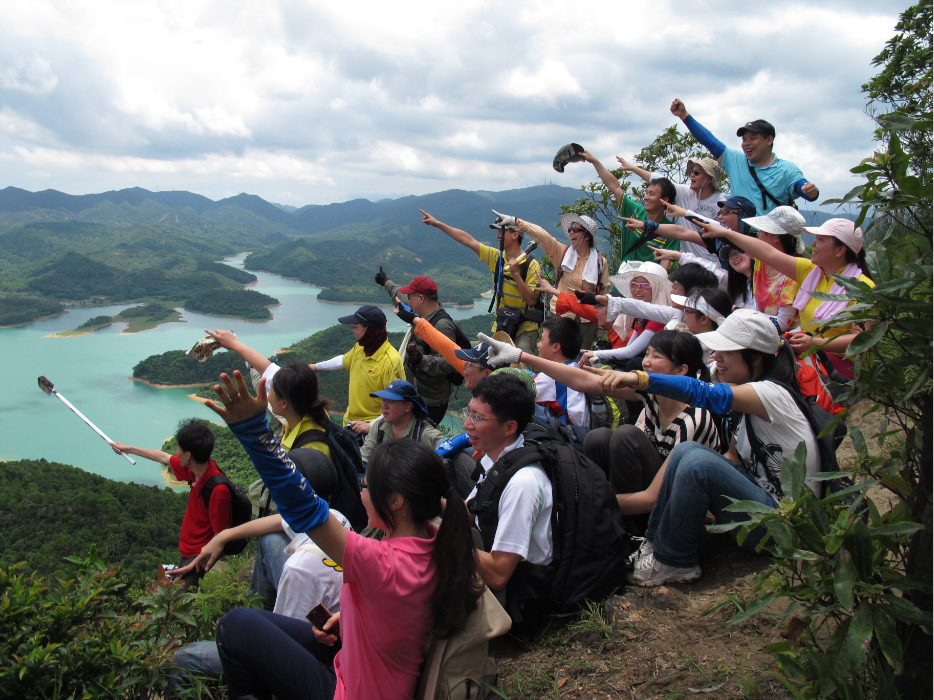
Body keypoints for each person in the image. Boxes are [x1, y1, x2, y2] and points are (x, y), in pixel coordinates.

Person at [205, 370, 483, 700]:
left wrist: (253, 432)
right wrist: (349, 617)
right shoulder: (433, 538)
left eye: (367, 485)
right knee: (257, 624)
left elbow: (304, 509)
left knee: (235, 627)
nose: (361, 490)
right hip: (360, 662)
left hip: (353, 691)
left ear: (395, 502)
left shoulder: (383, 564)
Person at [594, 309, 820, 587]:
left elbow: (704, 393)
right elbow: (731, 460)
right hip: (762, 504)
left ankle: (674, 561)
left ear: (756, 358)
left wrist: (641, 379)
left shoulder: (771, 394)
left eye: (726, 352)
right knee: (687, 451)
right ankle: (655, 545)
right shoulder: (748, 397)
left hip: (785, 527)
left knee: (696, 461)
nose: (715, 357)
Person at [480, 331, 725, 535]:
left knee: (626, 436)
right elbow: (582, 380)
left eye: (656, 356)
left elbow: (656, 496)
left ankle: (633, 533)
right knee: (599, 438)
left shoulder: (694, 418)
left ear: (682, 370)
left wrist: (594, 502)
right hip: (646, 490)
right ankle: (611, 525)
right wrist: (521, 356)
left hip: (675, 506)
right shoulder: (652, 396)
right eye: (647, 354)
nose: (646, 362)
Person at [165, 449, 349, 700]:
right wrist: (224, 536)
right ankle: (257, 608)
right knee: (270, 541)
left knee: (183, 658)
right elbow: (279, 522)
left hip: (315, 656)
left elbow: (284, 649)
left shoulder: (299, 571)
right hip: (335, 625)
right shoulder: (335, 519)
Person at [700, 218, 874, 379]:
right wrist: (726, 233)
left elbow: (861, 340)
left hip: (840, 368)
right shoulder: (812, 272)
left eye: (821, 240)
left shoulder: (863, 289)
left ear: (840, 250)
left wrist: (816, 343)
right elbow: (767, 252)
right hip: (810, 354)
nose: (813, 243)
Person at [110, 419, 231, 591]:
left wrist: (198, 562)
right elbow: (164, 458)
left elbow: (222, 535)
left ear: (188, 455)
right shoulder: (195, 468)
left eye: (178, 448)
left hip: (198, 556)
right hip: (187, 548)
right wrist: (128, 449)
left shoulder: (218, 490)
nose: (176, 452)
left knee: (177, 603)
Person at [462, 374, 552, 598]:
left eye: (478, 418)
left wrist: (443, 543)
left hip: (520, 593)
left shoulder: (523, 483)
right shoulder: (496, 460)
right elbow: (470, 511)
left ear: (509, 427)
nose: (467, 424)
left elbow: (499, 575)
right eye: (468, 412)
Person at [669, 98, 819, 216]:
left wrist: (809, 190)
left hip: (772, 242)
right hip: (740, 241)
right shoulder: (735, 160)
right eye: (744, 139)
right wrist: (684, 115)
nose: (746, 144)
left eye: (753, 138)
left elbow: (803, 187)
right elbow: (709, 140)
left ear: (769, 140)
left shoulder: (787, 169)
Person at [420, 208, 541, 353]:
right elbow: (467, 240)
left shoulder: (531, 265)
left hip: (524, 328)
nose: (497, 236)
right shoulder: (496, 257)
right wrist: (437, 223)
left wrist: (515, 273)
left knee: (521, 367)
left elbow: (532, 301)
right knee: (493, 369)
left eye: (501, 232)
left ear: (515, 235)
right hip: (503, 325)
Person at [489, 209, 610, 350]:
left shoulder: (600, 262)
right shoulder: (562, 253)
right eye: (570, 229)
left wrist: (602, 325)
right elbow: (543, 237)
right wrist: (516, 221)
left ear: (587, 235)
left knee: (581, 358)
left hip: (588, 321)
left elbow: (604, 293)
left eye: (576, 230)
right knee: (556, 356)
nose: (571, 232)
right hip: (562, 315)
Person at [374, 271, 458, 424]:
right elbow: (398, 294)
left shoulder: (442, 325)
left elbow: (450, 362)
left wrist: (421, 360)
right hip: (415, 394)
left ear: (421, 298)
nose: (408, 300)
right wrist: (385, 281)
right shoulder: (419, 311)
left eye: (411, 297)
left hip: (430, 402)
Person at [577, 151, 680, 265]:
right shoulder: (635, 212)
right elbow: (614, 187)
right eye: (646, 193)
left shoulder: (670, 232)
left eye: (652, 194)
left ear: (664, 200)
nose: (646, 197)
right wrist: (594, 161)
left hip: (648, 282)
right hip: (623, 279)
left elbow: (664, 268)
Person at [616, 155, 726, 262]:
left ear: (710, 179)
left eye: (696, 173)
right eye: (691, 172)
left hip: (712, 261)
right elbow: (660, 181)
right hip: (688, 260)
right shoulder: (685, 192)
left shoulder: (721, 204)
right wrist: (632, 168)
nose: (692, 175)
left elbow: (725, 233)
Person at [310, 305, 404, 427]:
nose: (353, 330)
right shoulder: (361, 347)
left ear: (369, 329)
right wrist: (316, 367)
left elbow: (397, 402)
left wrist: (371, 426)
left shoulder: (391, 361)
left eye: (356, 326)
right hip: (350, 423)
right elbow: (343, 360)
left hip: (373, 429)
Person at [393, 297, 495, 391]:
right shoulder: (486, 382)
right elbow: (443, 344)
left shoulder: (499, 405)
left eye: (470, 363)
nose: (464, 367)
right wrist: (413, 318)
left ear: (487, 373)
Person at [360, 380, 445, 464]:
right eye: (384, 400)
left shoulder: (423, 433)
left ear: (407, 406)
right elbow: (364, 458)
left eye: (391, 401)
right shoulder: (379, 427)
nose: (384, 406)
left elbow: (448, 447)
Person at [532, 316, 589, 427]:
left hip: (571, 439)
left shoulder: (550, 378)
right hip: (584, 434)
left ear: (556, 347)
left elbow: (519, 393)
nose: (538, 344)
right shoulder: (576, 368)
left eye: (542, 340)